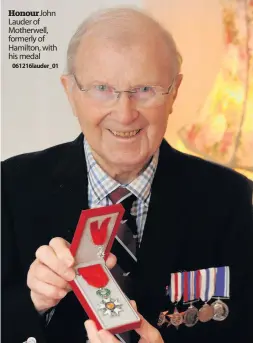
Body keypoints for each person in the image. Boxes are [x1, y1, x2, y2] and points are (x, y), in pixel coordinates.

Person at [2, 6, 253, 343]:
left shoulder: (233, 199)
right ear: (70, 92)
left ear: (174, 92)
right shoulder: (10, 186)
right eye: (103, 88)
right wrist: (34, 302)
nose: (125, 114)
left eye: (145, 89)